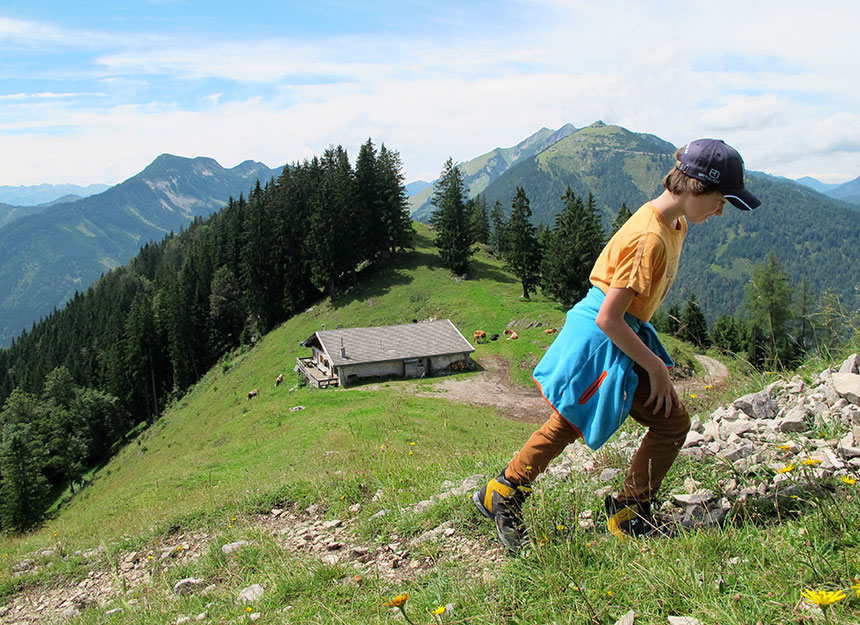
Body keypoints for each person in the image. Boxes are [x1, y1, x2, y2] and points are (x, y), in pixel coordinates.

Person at [473, 139, 760, 549]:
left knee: (572, 418)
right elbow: (609, 316)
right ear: (695, 186)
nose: (720, 210)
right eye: (720, 200)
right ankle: (628, 512)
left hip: (616, 331)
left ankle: (503, 491)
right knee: (672, 422)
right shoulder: (651, 238)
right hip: (604, 336)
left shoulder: (673, 222)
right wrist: (656, 367)